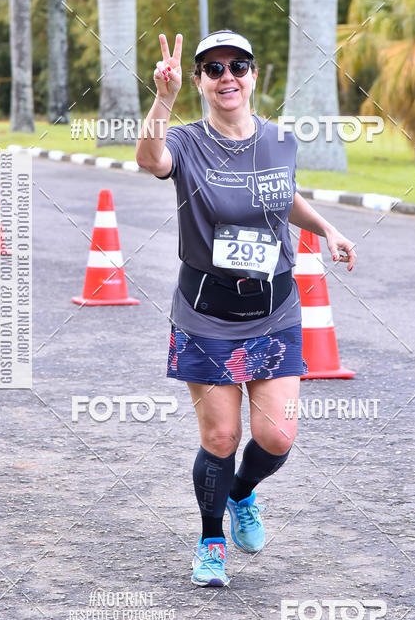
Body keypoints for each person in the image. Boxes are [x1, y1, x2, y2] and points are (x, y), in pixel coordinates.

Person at [136, 30, 356, 587]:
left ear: (255, 74)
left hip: (274, 306)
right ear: (200, 82)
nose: (227, 76)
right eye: (213, 69)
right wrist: (161, 99)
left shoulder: (280, 140)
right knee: (220, 439)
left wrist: (326, 227)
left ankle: (240, 493)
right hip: (206, 311)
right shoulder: (186, 141)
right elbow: (148, 158)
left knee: (278, 436)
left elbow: (284, 196)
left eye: (238, 65)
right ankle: (211, 542)